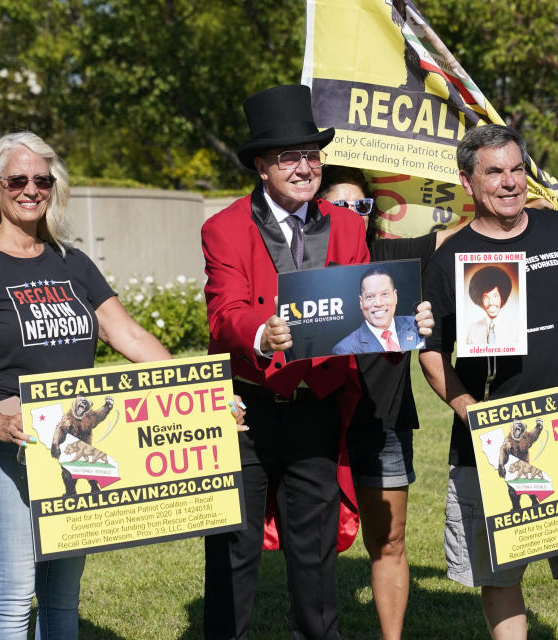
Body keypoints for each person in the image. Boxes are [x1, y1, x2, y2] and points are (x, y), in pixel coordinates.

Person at [0, 132, 242, 639]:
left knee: (60, 601)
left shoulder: (71, 263)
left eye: (42, 180)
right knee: (12, 598)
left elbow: (131, 336)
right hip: (10, 454)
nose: (31, 190)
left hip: (73, 450)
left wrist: (204, 395)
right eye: (18, 180)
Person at [201, 85, 432, 639]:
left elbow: (361, 312)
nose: (305, 167)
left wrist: (403, 326)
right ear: (262, 166)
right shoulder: (223, 227)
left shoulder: (349, 226)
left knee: (315, 556)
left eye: (312, 155)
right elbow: (223, 313)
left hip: (317, 408)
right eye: (289, 157)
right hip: (245, 410)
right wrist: (260, 333)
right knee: (233, 550)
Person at [419, 124, 558, 640]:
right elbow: (431, 354)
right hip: (495, 441)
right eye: (494, 172)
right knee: (501, 573)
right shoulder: (449, 257)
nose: (509, 182)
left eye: (517, 169)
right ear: (467, 181)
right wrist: (471, 412)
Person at [317, 165, 451, 640]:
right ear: (319, 207)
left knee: (388, 539)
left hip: (384, 423)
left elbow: (456, 234)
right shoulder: (303, 266)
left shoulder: (391, 258)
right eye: (340, 204)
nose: (353, 213)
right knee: (312, 544)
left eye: (362, 204)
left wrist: (512, 193)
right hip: (317, 419)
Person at [332, 267, 425, 355]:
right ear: (361, 302)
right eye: (370, 297)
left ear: (395, 296)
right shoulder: (345, 349)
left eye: (384, 294)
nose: (378, 303)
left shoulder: (417, 325)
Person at [465, 265, 516, 345]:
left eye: (495, 296)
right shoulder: (473, 329)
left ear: (502, 297)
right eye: (486, 297)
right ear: (480, 299)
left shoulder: (515, 328)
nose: (491, 302)